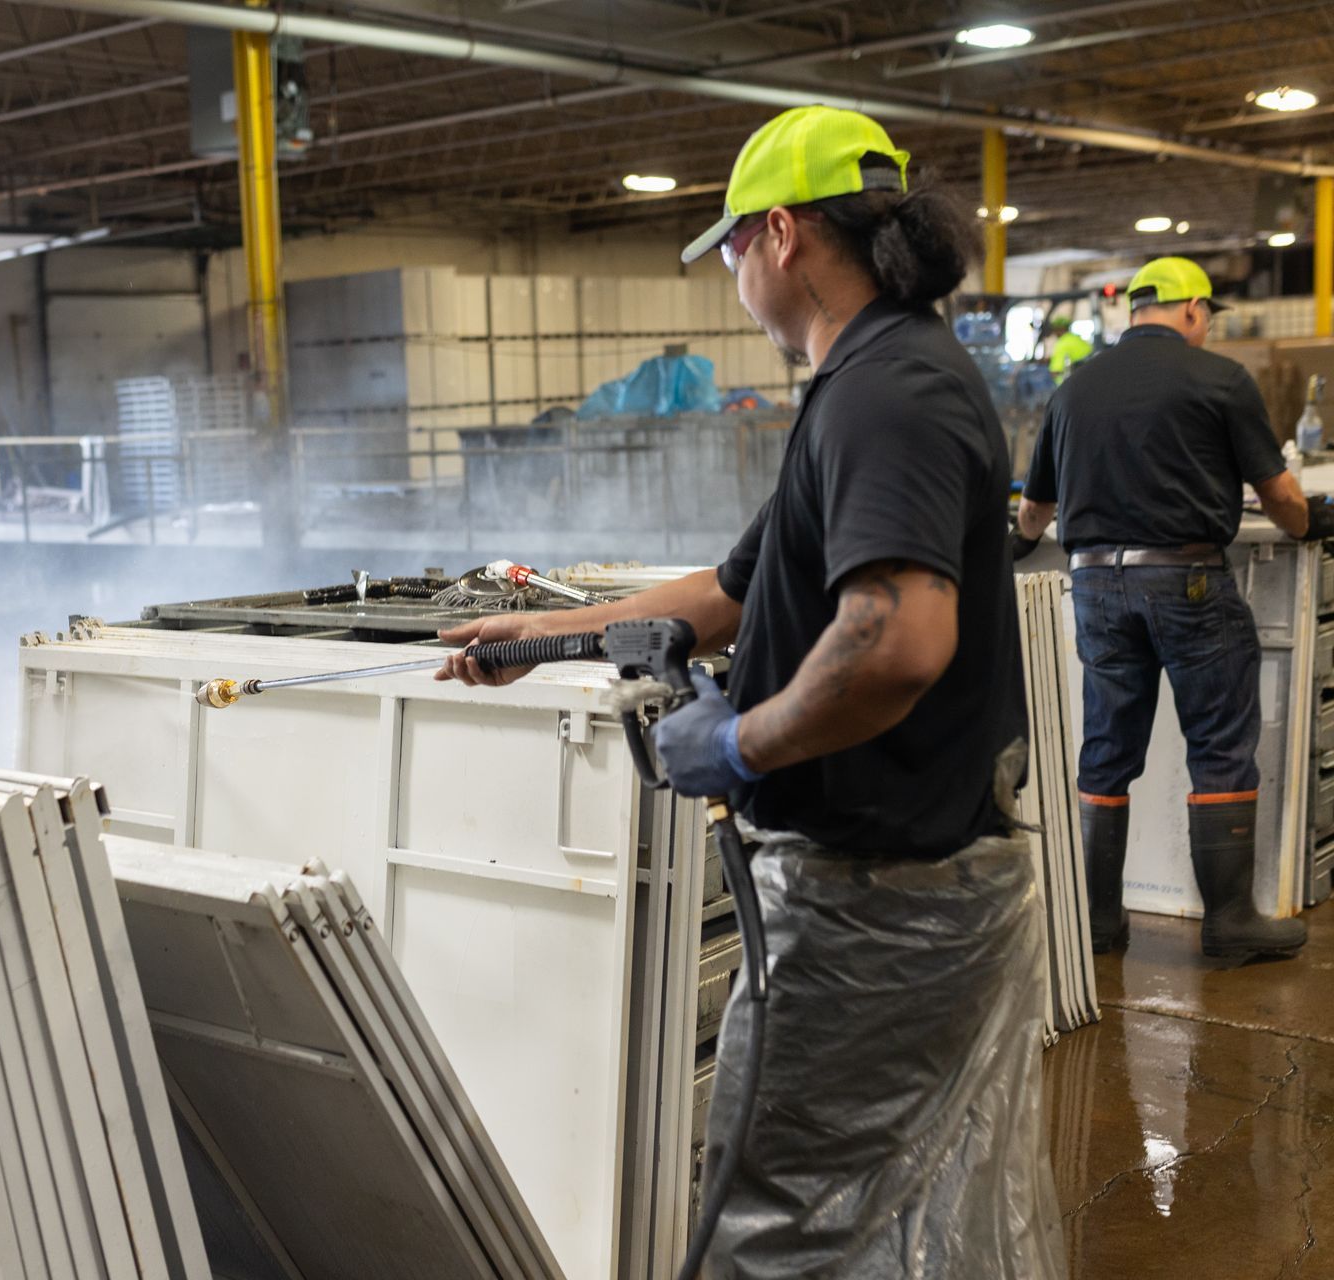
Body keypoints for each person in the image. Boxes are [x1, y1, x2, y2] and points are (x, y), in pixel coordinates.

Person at [441, 106, 1063, 1279]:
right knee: (908, 1211)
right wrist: (545, 631)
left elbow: (895, 642)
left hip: (874, 903)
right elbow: (731, 593)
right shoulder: (873, 380)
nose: (727, 270)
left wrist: (740, 743)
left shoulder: (887, 395)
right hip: (905, 885)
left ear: (781, 234)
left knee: (777, 1219)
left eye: (728, 245)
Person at [1013, 256, 1334, 961]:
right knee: (1219, 745)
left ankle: (1098, 924)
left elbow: (1034, 511)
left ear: (1136, 311)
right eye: (1207, 314)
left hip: (1094, 587)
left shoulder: (1073, 390)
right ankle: (1228, 926)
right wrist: (1312, 524)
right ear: (1192, 310)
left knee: (1105, 752)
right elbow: (1280, 494)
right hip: (1186, 583)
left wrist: (1018, 543)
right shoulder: (1219, 378)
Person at [1043, 313, 1093, 383]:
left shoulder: (1062, 343)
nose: (1054, 332)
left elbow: (1056, 370)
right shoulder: (1077, 339)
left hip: (1065, 384)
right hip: (1083, 379)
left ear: (1060, 329)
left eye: (1055, 329)